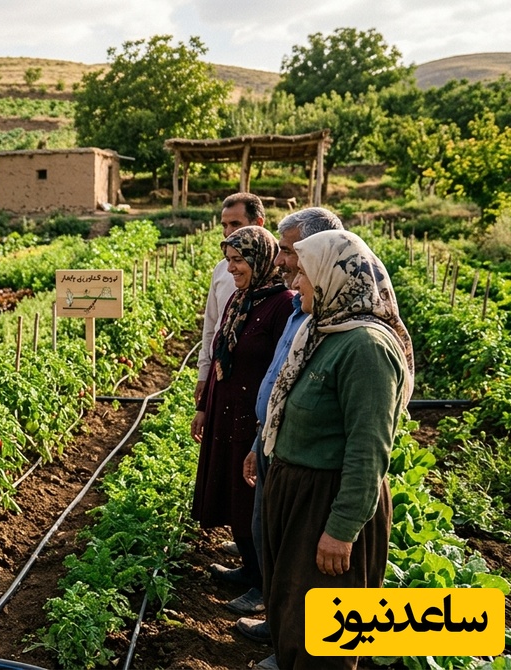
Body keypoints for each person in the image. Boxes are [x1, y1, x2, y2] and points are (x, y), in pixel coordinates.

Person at [260, 230, 413, 670]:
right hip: (300, 497)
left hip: (325, 503)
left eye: (305, 275)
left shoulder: (366, 348)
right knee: (293, 618)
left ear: (333, 277)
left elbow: (369, 450)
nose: (296, 284)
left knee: (324, 641)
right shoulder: (325, 330)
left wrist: (341, 530)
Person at [232, 208, 344, 668]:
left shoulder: (355, 341)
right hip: (279, 448)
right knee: (275, 545)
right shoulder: (305, 311)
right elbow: (281, 381)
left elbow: (368, 443)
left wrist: (342, 526)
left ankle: (298, 651)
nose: (282, 263)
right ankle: (281, 632)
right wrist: (261, 440)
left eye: (290, 252)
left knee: (304, 566)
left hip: (316, 472)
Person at [191, 225, 293, 604]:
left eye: (238, 260)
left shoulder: (282, 304)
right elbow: (221, 351)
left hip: (252, 420)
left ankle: (264, 586)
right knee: (234, 493)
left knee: (253, 500)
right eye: (229, 260)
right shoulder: (240, 298)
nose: (231, 268)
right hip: (226, 412)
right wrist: (204, 407)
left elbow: (284, 369)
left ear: (259, 259)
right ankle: (249, 568)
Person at [193, 192, 266, 429]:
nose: (228, 232)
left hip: (255, 381)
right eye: (224, 225)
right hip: (221, 372)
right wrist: (204, 374)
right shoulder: (221, 270)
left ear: (258, 223)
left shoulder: (275, 273)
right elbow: (212, 326)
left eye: (235, 224)